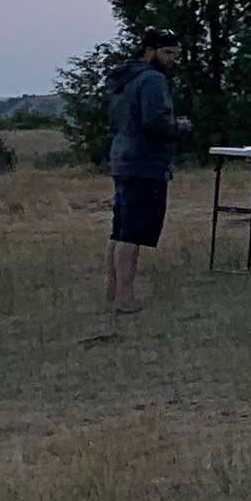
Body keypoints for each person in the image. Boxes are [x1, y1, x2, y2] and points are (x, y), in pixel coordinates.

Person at [104, 31, 185, 314]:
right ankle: (125, 299)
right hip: (144, 163)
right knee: (133, 233)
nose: (172, 59)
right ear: (149, 50)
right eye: (167, 53)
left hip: (122, 157)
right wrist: (179, 127)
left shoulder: (124, 78)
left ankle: (113, 292)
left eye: (175, 54)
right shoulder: (152, 79)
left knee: (121, 228)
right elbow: (155, 121)